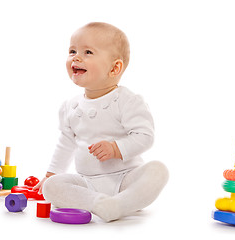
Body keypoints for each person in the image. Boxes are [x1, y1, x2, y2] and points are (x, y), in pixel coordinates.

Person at [33, 22, 168, 222]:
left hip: (126, 178)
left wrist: (116, 148)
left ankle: (121, 204)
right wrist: (51, 173)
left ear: (114, 68)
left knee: (158, 171)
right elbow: (66, 143)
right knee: (51, 186)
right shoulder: (71, 106)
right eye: (72, 51)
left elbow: (145, 136)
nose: (76, 57)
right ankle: (99, 203)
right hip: (87, 183)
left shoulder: (127, 100)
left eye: (88, 52)